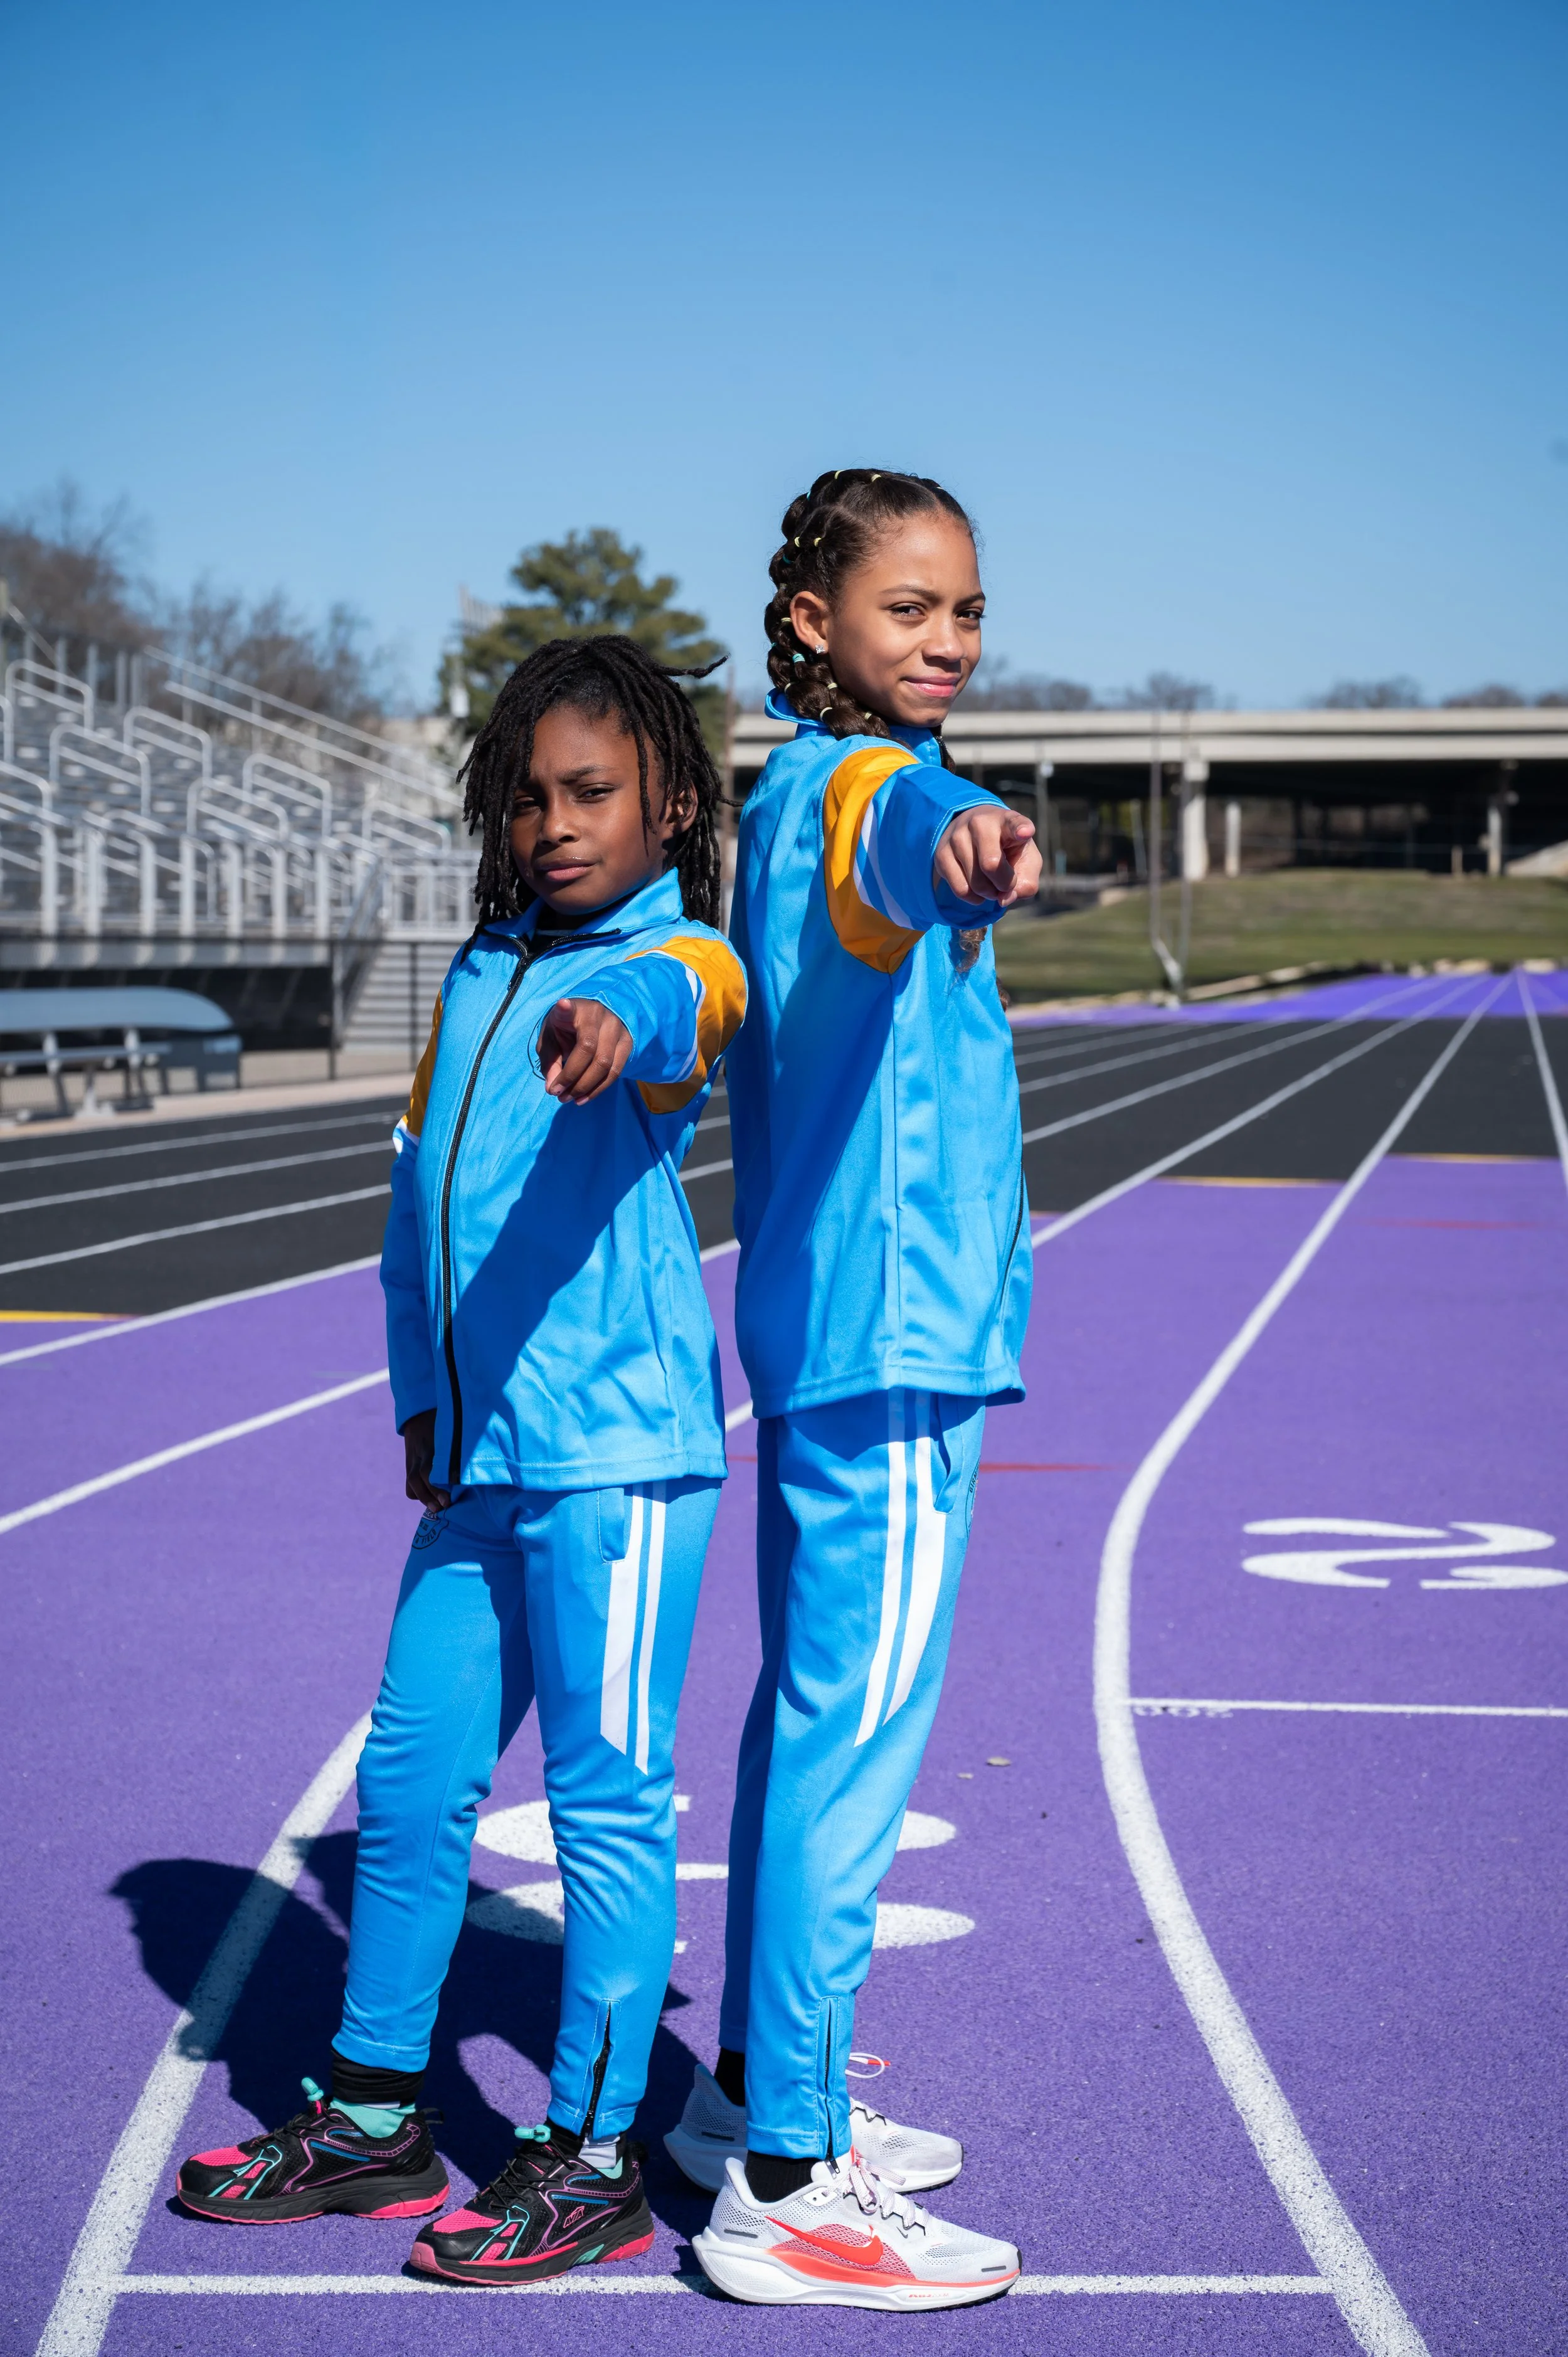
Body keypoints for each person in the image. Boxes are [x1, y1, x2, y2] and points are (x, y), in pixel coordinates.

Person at [176, 637, 746, 2285]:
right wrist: (420, 1401)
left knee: (605, 1807)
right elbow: (414, 1202)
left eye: (589, 793)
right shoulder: (483, 968)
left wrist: (611, 1013)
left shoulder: (668, 956)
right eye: (525, 798)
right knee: (411, 1785)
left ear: (670, 802)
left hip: (620, 1465)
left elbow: (678, 1006)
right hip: (481, 1465)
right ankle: (372, 2116)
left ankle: (586, 2157)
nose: (552, 825)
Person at [672, 470, 1039, 2311]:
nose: (949, 640)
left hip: (834, 1323)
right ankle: (793, 2179)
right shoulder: (880, 793)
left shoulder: (786, 783)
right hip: (892, 1339)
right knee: (850, 1738)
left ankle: (750, 2083)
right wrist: (970, 847)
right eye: (910, 608)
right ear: (812, 618)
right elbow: (916, 843)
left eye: (965, 610)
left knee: (802, 1718)